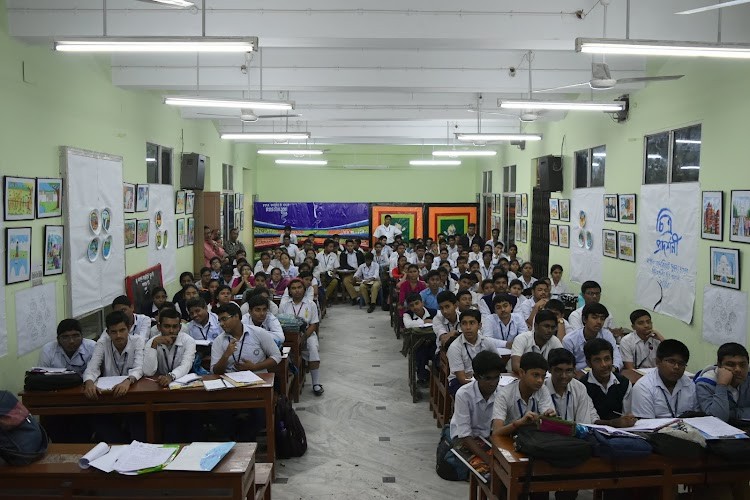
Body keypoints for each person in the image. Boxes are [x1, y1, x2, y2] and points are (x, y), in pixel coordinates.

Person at [83, 311, 146, 441]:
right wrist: (89, 382)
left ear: (129, 328)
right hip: (108, 395)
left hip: (132, 393)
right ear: (108, 332)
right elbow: (92, 367)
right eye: (113, 332)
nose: (118, 335)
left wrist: (128, 381)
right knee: (102, 423)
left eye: (122, 330)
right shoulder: (102, 343)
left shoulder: (138, 340)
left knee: (138, 422)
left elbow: (139, 367)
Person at [444, 350, 504, 479]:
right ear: (476, 377)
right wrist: (488, 459)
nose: (493, 383)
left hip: (487, 438)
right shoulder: (464, 394)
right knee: (488, 474)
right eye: (488, 378)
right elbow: (465, 435)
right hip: (464, 439)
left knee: (505, 469)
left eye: (496, 377)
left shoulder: (501, 393)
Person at [491, 352, 556, 436]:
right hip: (508, 439)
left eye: (543, 376)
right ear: (521, 373)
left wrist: (549, 418)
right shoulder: (504, 394)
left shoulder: (543, 390)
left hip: (533, 440)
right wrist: (518, 423)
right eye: (535, 375)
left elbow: (549, 425)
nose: (540, 380)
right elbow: (496, 432)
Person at [279, 279, 323, 396]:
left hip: (307, 334)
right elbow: (280, 323)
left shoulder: (310, 304)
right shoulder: (284, 305)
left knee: (313, 349)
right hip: (288, 336)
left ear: (304, 289)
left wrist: (303, 338)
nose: (297, 290)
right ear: (289, 291)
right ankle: (288, 382)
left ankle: (316, 383)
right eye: (293, 288)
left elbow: (314, 324)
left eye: (299, 287)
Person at [631, 340, 696, 419]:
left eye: (681, 363)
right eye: (671, 361)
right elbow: (646, 425)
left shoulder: (689, 384)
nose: (676, 367)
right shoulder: (643, 387)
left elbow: (696, 417)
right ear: (658, 362)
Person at [579, 338, 636, 428]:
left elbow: (627, 414)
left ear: (612, 359)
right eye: (597, 360)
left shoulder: (623, 383)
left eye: (607, 359)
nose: (604, 365)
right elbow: (591, 421)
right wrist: (613, 423)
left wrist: (628, 420)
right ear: (589, 363)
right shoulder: (582, 386)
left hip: (623, 431)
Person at [562, 303, 623, 375]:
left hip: (603, 373)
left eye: (602, 319)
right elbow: (567, 365)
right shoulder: (570, 340)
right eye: (594, 317)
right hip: (579, 376)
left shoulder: (607, 335)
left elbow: (616, 357)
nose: (599, 322)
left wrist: (613, 368)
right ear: (584, 319)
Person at [446, 309, 497, 395]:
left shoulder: (487, 342)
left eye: (472, 323)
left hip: (484, 378)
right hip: (459, 381)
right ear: (460, 326)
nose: (468, 327)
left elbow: (497, 364)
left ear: (479, 325)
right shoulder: (455, 347)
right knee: (473, 394)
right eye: (464, 323)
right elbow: (462, 379)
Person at [695, 342, 750, 422]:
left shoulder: (748, 377)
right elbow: (717, 419)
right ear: (719, 365)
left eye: (742, 365)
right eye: (731, 364)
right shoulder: (704, 384)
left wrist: (732, 414)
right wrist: (722, 385)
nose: (738, 369)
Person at [143, 308, 196, 387]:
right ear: (159, 327)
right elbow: (148, 372)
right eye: (167, 326)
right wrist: (154, 346)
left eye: (175, 327)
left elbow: (186, 365)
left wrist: (170, 376)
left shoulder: (188, 341)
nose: (171, 331)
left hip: (182, 383)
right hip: (159, 384)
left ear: (180, 328)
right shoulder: (152, 342)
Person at [544, 348, 599, 424]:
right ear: (549, 369)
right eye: (559, 370)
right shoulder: (541, 389)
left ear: (574, 370)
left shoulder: (579, 388)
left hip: (574, 434)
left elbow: (583, 423)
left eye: (568, 371)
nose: (564, 376)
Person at [510, 310, 563, 374]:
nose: (550, 330)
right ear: (536, 326)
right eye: (546, 326)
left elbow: (562, 363)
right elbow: (516, 366)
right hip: (519, 377)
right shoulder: (522, 338)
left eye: (553, 327)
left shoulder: (554, 341)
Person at [339, 239, 365, 304]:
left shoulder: (359, 253)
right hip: (350, 273)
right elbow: (343, 265)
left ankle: (359, 298)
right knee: (346, 281)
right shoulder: (343, 254)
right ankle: (355, 297)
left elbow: (363, 263)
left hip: (360, 273)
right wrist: (353, 268)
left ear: (353, 246)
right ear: (345, 246)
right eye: (348, 246)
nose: (350, 247)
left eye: (351, 246)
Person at [317, 238, 341, 304]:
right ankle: (325, 298)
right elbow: (317, 267)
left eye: (332, 247)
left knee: (335, 281)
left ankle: (325, 297)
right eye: (330, 247)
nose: (332, 248)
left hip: (330, 274)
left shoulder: (334, 255)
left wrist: (334, 273)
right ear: (325, 247)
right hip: (321, 274)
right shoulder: (318, 255)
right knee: (321, 281)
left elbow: (336, 267)